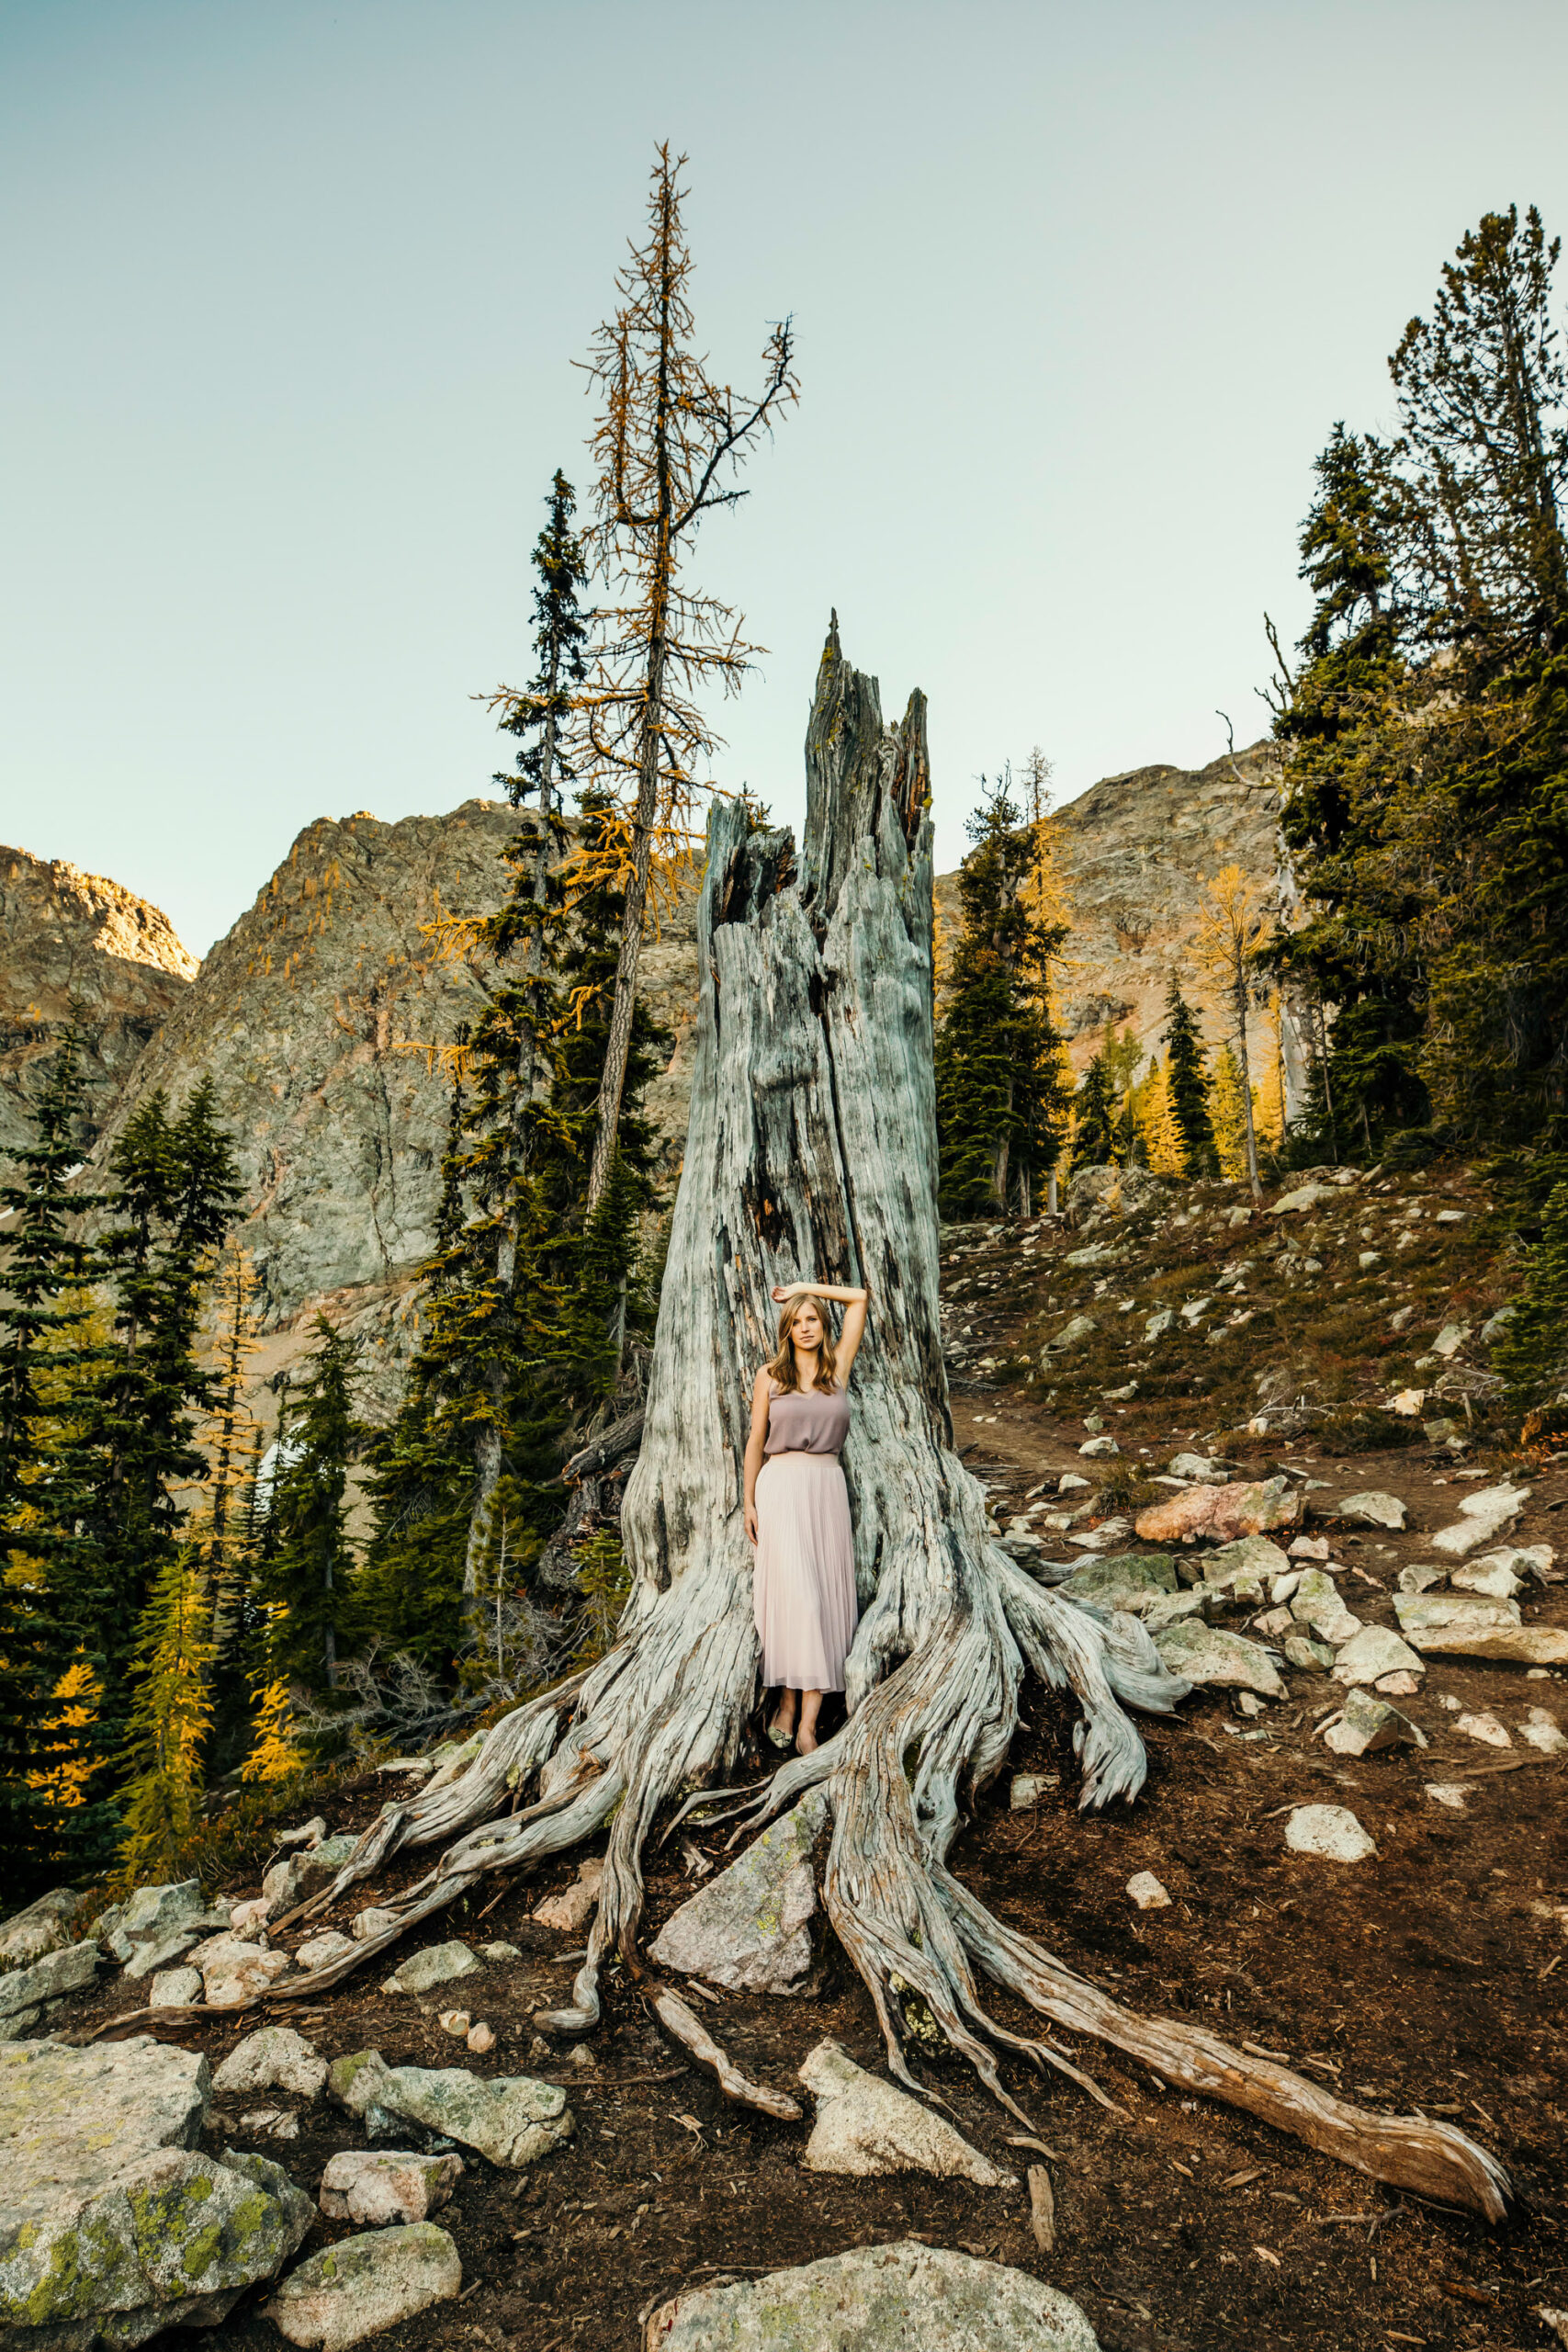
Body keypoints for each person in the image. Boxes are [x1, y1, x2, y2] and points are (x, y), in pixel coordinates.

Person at [743, 1275, 869, 1754]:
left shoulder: (836, 1370)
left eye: (812, 1318)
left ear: (822, 1324)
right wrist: (749, 1502)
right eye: (796, 1321)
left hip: (827, 1489)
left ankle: (805, 1721)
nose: (805, 1327)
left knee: (824, 1601)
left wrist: (803, 1286)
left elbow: (859, 1299)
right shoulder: (769, 1377)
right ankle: (788, 1706)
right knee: (800, 1602)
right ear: (787, 1330)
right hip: (781, 1488)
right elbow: (756, 1442)